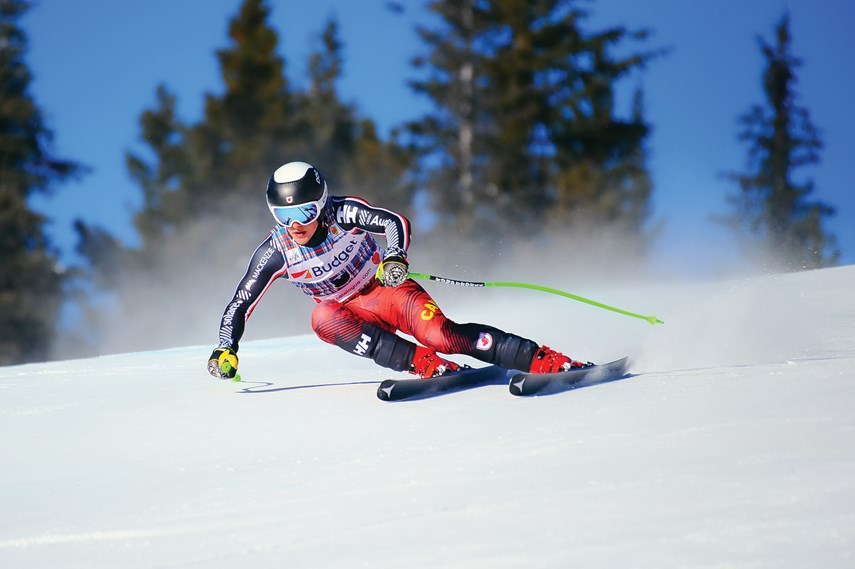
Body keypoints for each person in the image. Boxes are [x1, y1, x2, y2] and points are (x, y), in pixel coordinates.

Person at [207, 161, 588, 381]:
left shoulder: (343, 212)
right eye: (283, 215)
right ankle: (424, 365)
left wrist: (395, 258)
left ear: (321, 204)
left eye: (304, 212)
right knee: (322, 318)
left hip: (385, 292)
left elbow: (393, 221)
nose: (295, 224)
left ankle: (543, 359)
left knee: (440, 334)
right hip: (350, 314)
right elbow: (241, 301)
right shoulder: (277, 250)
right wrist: (226, 347)